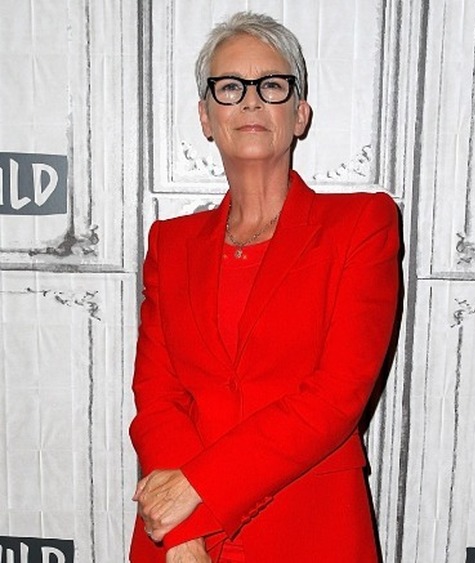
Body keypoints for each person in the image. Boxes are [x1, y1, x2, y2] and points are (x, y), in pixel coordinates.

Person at [128, 11, 400, 563]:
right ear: (206, 116)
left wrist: (197, 498)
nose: (250, 101)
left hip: (310, 525)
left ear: (299, 114)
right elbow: (157, 396)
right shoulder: (170, 244)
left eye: (271, 85)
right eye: (230, 87)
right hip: (177, 539)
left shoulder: (362, 224)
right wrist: (183, 535)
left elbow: (337, 396)